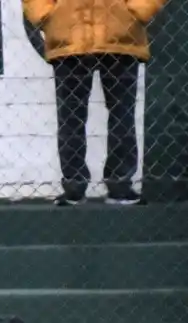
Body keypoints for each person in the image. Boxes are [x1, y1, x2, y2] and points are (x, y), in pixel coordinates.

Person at [25, 0, 164, 205]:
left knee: (121, 114)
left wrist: (138, 11)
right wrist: (47, 15)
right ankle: (77, 187)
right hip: (71, 35)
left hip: (119, 34)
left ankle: (117, 186)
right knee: (72, 117)